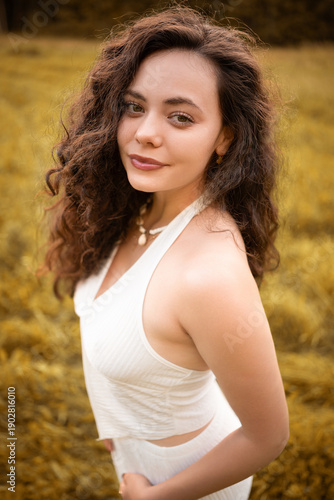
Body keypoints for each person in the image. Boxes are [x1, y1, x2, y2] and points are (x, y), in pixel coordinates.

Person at [43, 6, 289, 500]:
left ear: (225, 137)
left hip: (189, 483)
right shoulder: (137, 209)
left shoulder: (207, 275)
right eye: (134, 107)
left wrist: (152, 497)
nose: (145, 132)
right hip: (137, 463)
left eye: (180, 117)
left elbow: (268, 436)